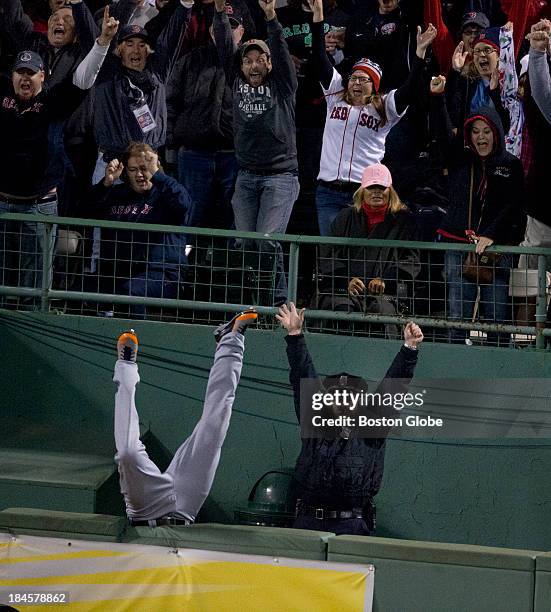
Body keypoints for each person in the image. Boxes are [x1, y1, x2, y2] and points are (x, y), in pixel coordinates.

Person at [277, 302, 423, 536]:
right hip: (308, 524)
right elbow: (302, 376)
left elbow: (393, 389)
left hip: (351, 527)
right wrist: (295, 336)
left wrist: (409, 349)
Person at [0, 17, 118, 304]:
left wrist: (102, 42)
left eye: (32, 73)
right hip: (2, 203)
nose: (25, 78)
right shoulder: (2, 98)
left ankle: (30, 325)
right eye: (20, 73)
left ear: (44, 75)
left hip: (39, 206)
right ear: (12, 76)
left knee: (36, 280)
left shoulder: (53, 103)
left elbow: (83, 79)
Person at [113, 309, 258, 526]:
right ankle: (126, 366)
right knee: (127, 453)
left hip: (176, 512)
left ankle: (230, 337)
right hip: (151, 507)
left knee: (216, 421)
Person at [308, 0, 436, 234]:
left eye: (364, 79)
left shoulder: (383, 106)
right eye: (354, 78)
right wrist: (318, 19)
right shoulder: (335, 95)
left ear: (374, 87)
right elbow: (319, 59)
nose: (356, 82)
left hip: (362, 193)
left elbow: (409, 89)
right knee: (332, 254)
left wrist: (419, 55)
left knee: (358, 257)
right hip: (327, 192)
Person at [213, 0, 299, 304]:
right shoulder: (235, 79)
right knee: (244, 244)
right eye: (248, 60)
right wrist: (220, 12)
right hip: (246, 177)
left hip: (281, 177)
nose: (253, 65)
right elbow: (225, 46)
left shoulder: (284, 85)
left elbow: (280, 47)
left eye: (260, 59)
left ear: (270, 63)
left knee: (267, 242)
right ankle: (253, 303)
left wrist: (271, 17)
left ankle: (277, 305)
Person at [431, 76, 525, 345]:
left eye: (486, 131)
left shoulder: (511, 164)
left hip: (497, 251)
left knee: (497, 317)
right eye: (475, 131)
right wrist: (437, 98)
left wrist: (491, 234)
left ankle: (499, 375)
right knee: (458, 317)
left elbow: (513, 206)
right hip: (457, 246)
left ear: (496, 132)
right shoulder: (460, 159)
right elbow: (440, 133)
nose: (481, 137)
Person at [86, 143, 191, 318]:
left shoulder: (166, 193)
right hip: (117, 272)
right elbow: (86, 211)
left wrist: (159, 175)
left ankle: (133, 341)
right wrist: (106, 184)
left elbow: (183, 203)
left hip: (161, 275)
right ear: (125, 172)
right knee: (80, 289)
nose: (140, 175)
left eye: (145, 168)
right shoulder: (115, 193)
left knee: (131, 292)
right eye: (133, 170)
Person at [315, 163, 420, 337]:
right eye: (371, 187)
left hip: (386, 294)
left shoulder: (404, 221)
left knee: (381, 311)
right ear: (362, 190)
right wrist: (346, 280)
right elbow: (328, 254)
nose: (376, 192)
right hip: (345, 290)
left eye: (381, 187)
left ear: (390, 190)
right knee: (341, 308)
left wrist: (386, 280)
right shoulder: (345, 217)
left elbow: (411, 260)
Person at [167, 14, 245, 229]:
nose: (224, 32)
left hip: (234, 154)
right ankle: (184, 261)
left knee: (233, 218)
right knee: (190, 215)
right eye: (219, 27)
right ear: (210, 31)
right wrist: (171, 143)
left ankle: (226, 263)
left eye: (232, 27)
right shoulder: (191, 59)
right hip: (194, 153)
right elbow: (170, 102)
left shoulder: (249, 64)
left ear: (242, 32)